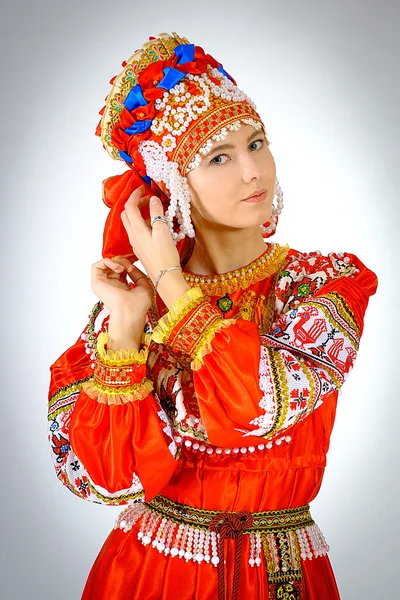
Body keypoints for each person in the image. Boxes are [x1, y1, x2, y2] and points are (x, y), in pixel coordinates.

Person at [47, 31, 378, 600]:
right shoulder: (134, 308)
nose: (252, 171)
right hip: (153, 575)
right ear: (176, 183)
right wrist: (126, 324)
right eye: (219, 157)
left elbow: (256, 403)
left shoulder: (325, 284)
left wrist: (171, 287)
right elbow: (104, 482)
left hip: (280, 576)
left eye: (257, 143)